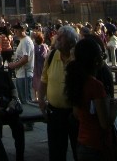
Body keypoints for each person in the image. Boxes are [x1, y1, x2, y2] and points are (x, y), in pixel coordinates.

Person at [65, 38, 117, 161]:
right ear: (95, 60)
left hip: (83, 141)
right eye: (101, 55)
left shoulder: (77, 81)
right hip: (98, 144)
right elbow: (105, 123)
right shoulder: (95, 85)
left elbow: (76, 114)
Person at [38, 26, 78, 161]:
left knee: (78, 149)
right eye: (57, 36)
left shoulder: (78, 58)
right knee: (56, 151)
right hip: (54, 113)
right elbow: (44, 80)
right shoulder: (51, 56)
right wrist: (41, 100)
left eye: (61, 37)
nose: (57, 39)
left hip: (75, 113)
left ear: (71, 41)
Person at [7, 23, 34, 106]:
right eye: (14, 30)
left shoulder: (26, 41)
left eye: (17, 30)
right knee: (23, 99)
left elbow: (25, 58)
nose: (15, 32)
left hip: (25, 74)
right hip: (20, 73)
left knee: (26, 100)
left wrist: (14, 65)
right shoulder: (22, 41)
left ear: (23, 30)